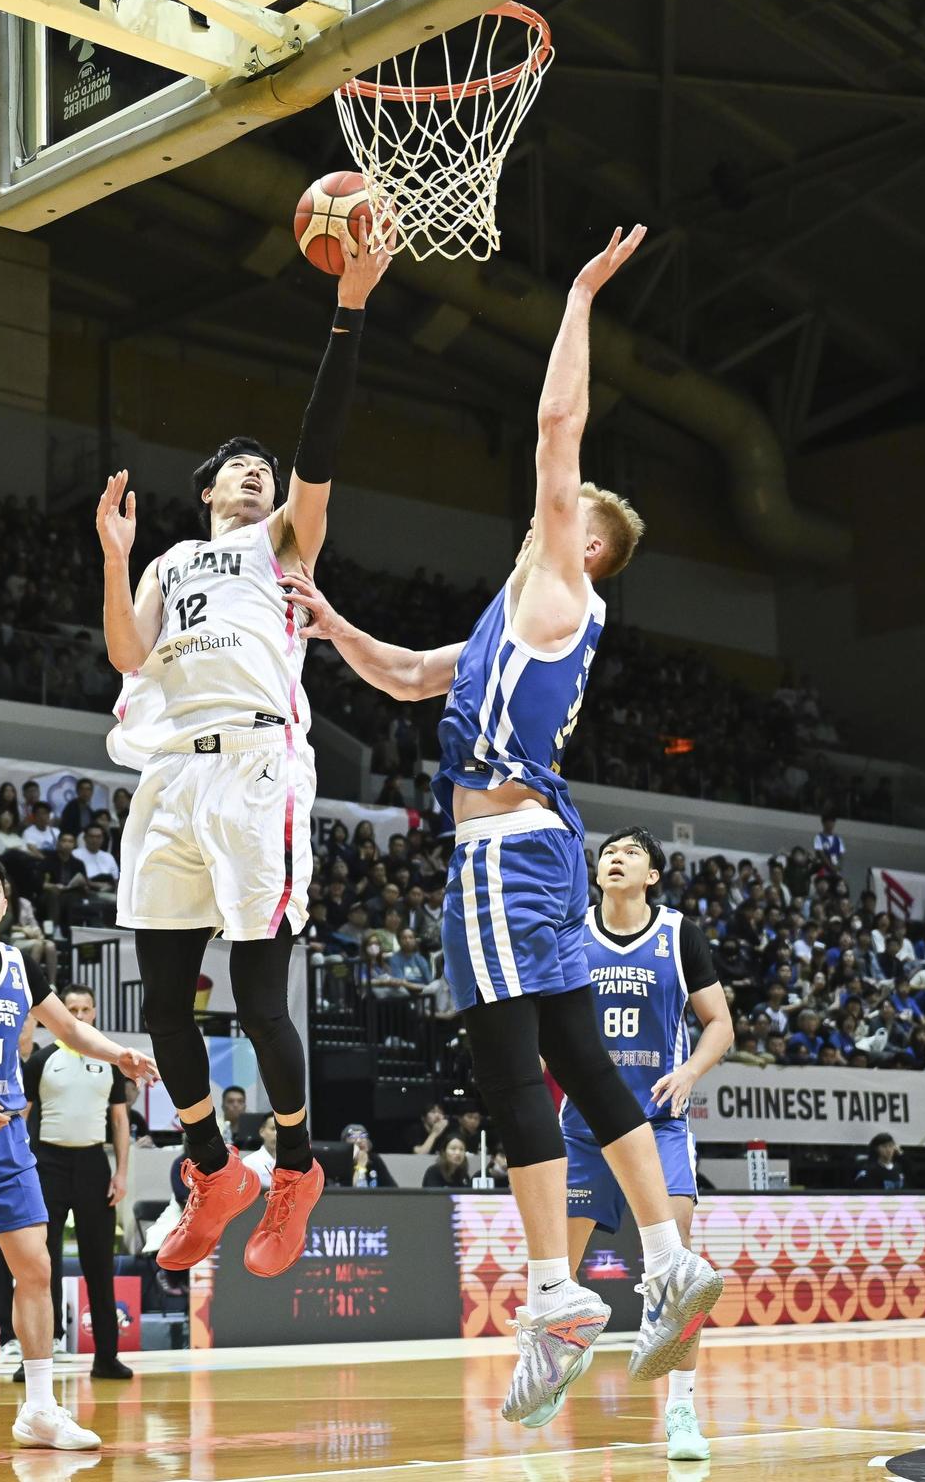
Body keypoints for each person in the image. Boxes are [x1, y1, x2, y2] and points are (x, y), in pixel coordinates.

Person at [280, 227, 724, 1421]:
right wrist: (332, 624)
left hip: (501, 852)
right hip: (540, 850)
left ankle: (552, 1291)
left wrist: (576, 297)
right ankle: (667, 1260)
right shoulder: (509, 617)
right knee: (577, 1053)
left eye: (567, 509)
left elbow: (555, 432)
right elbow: (417, 677)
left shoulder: (560, 580)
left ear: (590, 544)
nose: (549, 507)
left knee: (501, 1057)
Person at [96, 224, 389, 1282]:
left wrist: (348, 305)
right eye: (242, 473)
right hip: (172, 774)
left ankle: (297, 1166)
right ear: (210, 490)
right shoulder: (174, 560)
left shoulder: (283, 547)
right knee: (164, 1002)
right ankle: (213, 1172)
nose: (260, 480)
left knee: (261, 1001)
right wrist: (113, 555)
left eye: (268, 475)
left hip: (257, 768)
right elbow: (127, 652)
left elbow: (320, 441)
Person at [0, 864, 157, 1455]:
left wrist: (122, 1055)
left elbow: (69, 1031)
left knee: (36, 1270)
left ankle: (39, 1410)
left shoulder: (21, 965)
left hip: (12, 1138)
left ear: (5, 905)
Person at [547, 827, 732, 1460]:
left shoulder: (678, 934)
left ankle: (681, 1410)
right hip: (586, 1125)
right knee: (557, 1273)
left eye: (629, 853)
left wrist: (690, 1071)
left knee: (677, 1271)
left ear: (652, 874)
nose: (614, 858)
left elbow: (719, 1025)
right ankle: (551, 1369)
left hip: (659, 1120)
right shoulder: (572, 930)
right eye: (608, 853)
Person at [24, 983, 135, 1381]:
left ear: (95, 1012)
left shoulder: (111, 1060)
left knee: (99, 1264)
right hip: (47, 1165)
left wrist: (121, 1173)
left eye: (86, 1008)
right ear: (61, 1013)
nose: (81, 1015)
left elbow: (120, 1121)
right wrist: (20, 1171)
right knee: (39, 1265)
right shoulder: (41, 1060)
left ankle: (107, 1355)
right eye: (72, 1009)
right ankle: (38, 1357)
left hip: (93, 1166)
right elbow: (22, 1116)